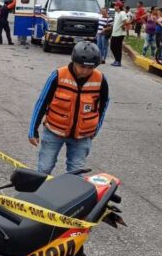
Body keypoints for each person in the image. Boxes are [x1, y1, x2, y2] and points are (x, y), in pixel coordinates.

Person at [28, 41, 109, 174]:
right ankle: (41, 187)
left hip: (82, 136)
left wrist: (96, 129)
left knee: (76, 172)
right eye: (82, 66)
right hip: (54, 131)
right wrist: (33, 130)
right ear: (74, 62)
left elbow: (103, 106)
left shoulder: (100, 80)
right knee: (44, 168)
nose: (85, 71)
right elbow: (41, 102)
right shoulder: (58, 75)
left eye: (90, 67)